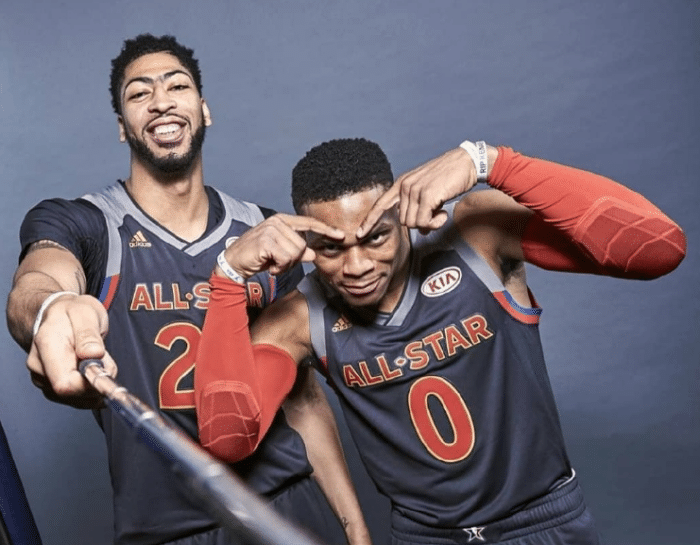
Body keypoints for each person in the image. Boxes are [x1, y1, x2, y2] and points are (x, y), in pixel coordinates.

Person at [194, 137, 686, 544]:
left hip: (541, 524)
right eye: (331, 248)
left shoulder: (477, 238)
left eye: (375, 237)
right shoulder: (300, 318)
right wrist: (228, 277)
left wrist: (492, 163)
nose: (357, 266)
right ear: (305, 243)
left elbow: (658, 248)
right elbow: (228, 440)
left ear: (401, 215)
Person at [6, 35, 371, 545]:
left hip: (286, 506)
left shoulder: (263, 233)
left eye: (176, 86)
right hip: (167, 529)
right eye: (139, 93)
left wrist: (356, 530)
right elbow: (40, 277)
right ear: (122, 126)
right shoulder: (88, 224)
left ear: (204, 110)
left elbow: (304, 400)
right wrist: (51, 307)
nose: (161, 101)